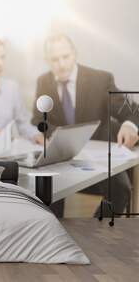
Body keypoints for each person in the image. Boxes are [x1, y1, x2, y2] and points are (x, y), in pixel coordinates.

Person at [32, 33, 139, 217]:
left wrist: (130, 125)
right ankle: (55, 235)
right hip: (63, 156)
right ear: (47, 61)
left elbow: (133, 110)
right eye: (55, 59)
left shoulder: (101, 79)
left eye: (65, 57)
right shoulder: (44, 81)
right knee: (46, 188)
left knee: (120, 189)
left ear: (74, 54)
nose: (62, 64)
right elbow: (38, 119)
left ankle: (99, 232)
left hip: (98, 157)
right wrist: (46, 133)